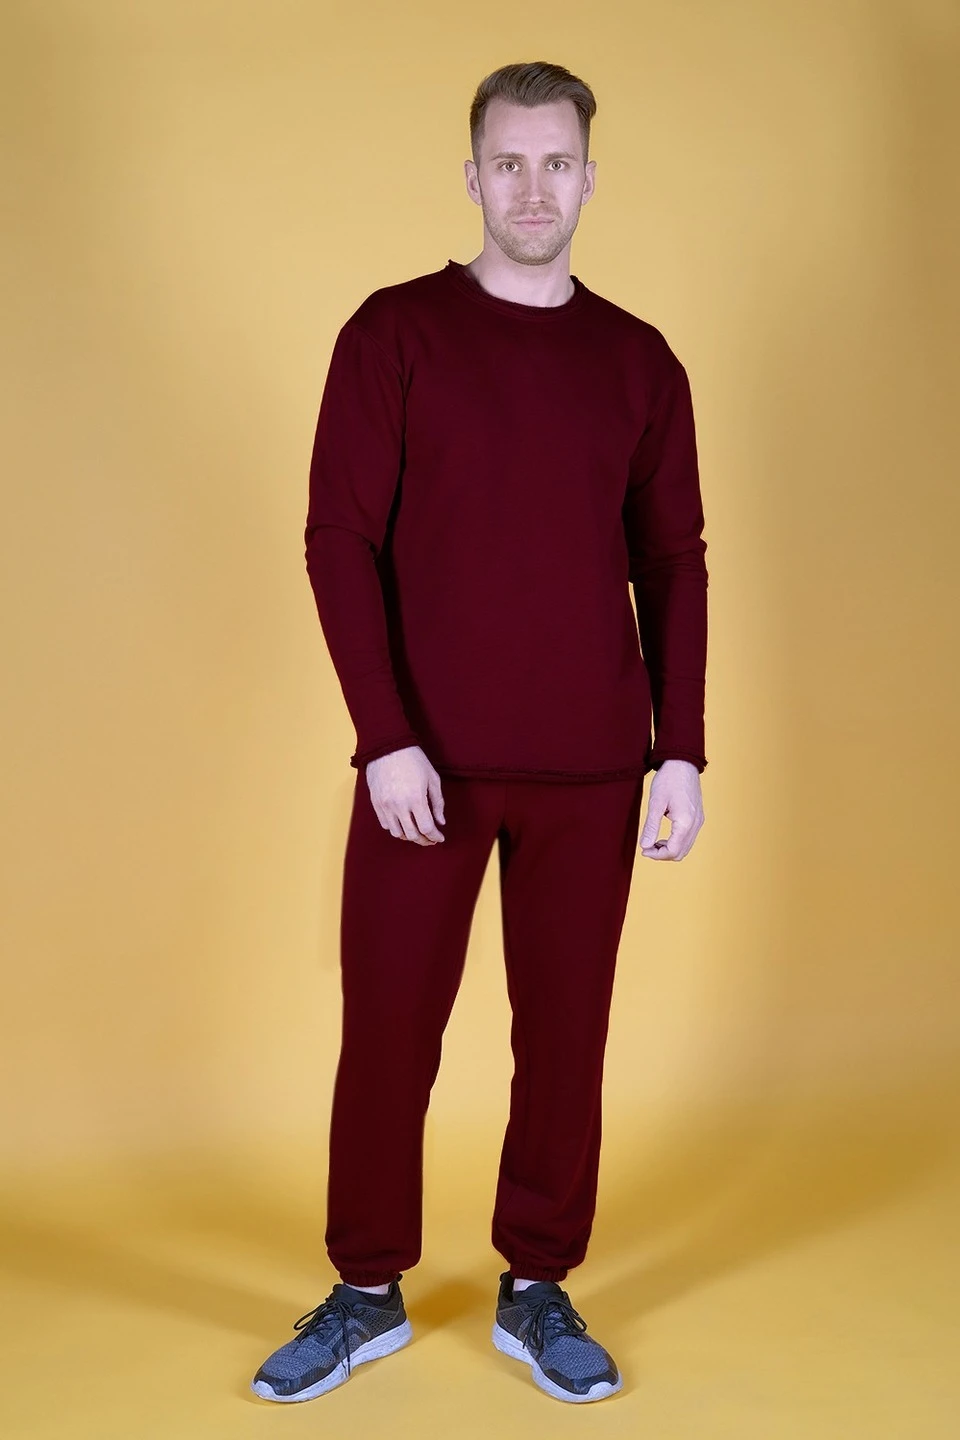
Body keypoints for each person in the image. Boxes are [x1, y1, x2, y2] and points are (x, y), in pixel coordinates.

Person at [251, 58, 708, 1407]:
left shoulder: (639, 362)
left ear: (589, 179)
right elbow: (339, 539)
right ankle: (365, 1290)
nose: (532, 186)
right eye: (508, 162)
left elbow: (673, 562)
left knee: (566, 1039)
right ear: (472, 176)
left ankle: (538, 1285)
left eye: (556, 162)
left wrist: (681, 749)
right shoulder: (394, 334)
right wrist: (384, 736)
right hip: (425, 769)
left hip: (591, 766)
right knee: (389, 1031)